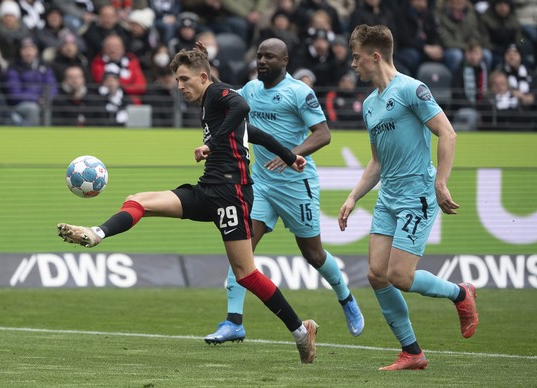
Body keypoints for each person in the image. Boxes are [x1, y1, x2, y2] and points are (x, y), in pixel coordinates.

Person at [57, 47, 319, 364]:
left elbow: (242, 105)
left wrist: (210, 143)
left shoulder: (221, 93)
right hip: (208, 189)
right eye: (177, 80)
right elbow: (256, 132)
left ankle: (301, 333)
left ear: (203, 76)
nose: (180, 86)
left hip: (231, 193)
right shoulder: (210, 103)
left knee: (246, 274)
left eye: (184, 79)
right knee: (139, 200)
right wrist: (291, 157)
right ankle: (97, 233)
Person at [202, 38, 364, 345]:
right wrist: (203, 63)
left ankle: (345, 298)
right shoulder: (249, 91)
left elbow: (323, 134)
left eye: (269, 57)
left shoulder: (299, 92)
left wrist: (291, 153)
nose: (262, 61)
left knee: (313, 254)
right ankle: (234, 321)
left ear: (285, 61)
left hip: (295, 184)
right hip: (260, 184)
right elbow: (215, 92)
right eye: (259, 55)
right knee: (241, 247)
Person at [338, 24, 478, 371]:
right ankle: (412, 352)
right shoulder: (370, 104)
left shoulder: (412, 89)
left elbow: (447, 133)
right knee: (376, 274)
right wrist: (354, 196)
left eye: (356, 58)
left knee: (400, 276)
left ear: (375, 56)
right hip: (388, 197)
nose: (352, 65)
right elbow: (377, 162)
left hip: (417, 193)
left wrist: (441, 182)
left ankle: (461, 294)